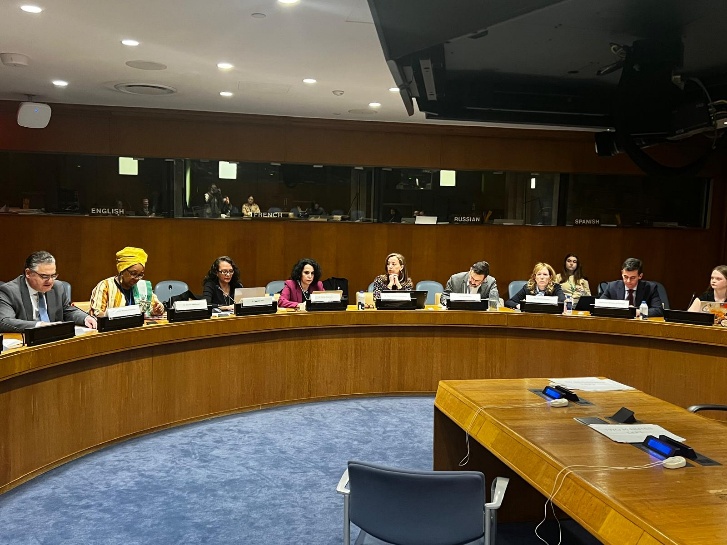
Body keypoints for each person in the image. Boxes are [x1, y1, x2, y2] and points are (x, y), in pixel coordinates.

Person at [0, 251, 96, 332]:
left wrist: (85, 318)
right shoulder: (9, 291)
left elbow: (67, 311)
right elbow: (4, 321)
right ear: (28, 273)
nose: (50, 281)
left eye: (53, 276)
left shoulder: (58, 287)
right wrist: (39, 325)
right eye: (44, 276)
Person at [89, 246, 164, 317]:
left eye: (140, 275)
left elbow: (152, 307)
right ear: (122, 270)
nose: (137, 278)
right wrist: (116, 314)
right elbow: (97, 314)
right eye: (133, 274)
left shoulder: (142, 286)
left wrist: (156, 310)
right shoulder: (105, 286)